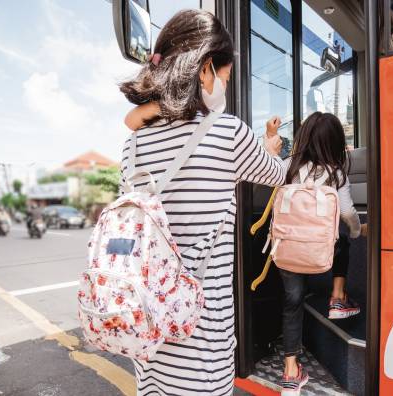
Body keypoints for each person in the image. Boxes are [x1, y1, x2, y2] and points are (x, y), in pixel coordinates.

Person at [118, 9, 285, 396]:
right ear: (206, 69)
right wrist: (271, 150)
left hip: (150, 331)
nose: (224, 85)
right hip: (201, 340)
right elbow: (277, 175)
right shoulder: (227, 132)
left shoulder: (132, 145)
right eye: (224, 77)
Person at [278, 112, 367, 395]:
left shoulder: (286, 166)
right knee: (343, 235)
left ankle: (291, 372)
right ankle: (338, 297)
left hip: (288, 248)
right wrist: (357, 232)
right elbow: (349, 213)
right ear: (334, 142)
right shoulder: (335, 173)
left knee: (292, 303)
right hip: (321, 251)